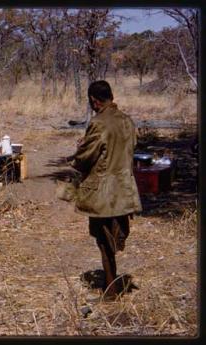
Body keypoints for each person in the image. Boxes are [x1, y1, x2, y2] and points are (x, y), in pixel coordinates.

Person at [71, 80, 142, 300]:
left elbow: (85, 158)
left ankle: (110, 292)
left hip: (104, 192)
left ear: (94, 100)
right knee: (113, 235)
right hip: (125, 189)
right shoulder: (128, 121)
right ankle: (112, 284)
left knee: (103, 242)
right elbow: (130, 148)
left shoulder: (99, 123)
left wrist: (79, 150)